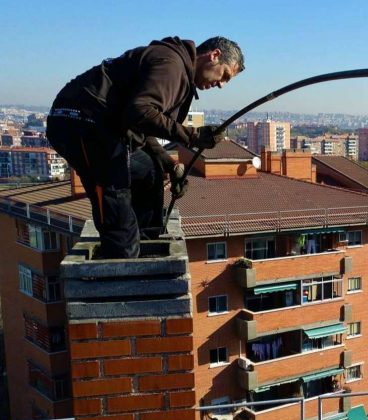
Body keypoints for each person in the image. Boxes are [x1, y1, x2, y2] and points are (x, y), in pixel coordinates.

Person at [46, 36, 244, 258]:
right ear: (214, 55)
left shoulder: (176, 67)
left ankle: (148, 247)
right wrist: (194, 136)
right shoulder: (172, 65)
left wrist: (169, 165)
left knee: (148, 171)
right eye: (224, 75)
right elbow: (140, 111)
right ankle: (123, 269)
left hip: (99, 126)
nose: (221, 84)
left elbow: (141, 125)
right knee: (116, 209)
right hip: (83, 124)